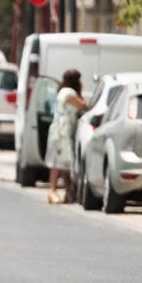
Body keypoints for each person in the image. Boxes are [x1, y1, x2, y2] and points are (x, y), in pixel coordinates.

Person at [46, 69, 87, 204]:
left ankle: (68, 191)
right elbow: (83, 105)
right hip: (61, 132)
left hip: (61, 131)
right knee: (57, 162)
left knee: (63, 162)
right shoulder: (68, 93)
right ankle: (52, 191)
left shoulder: (63, 92)